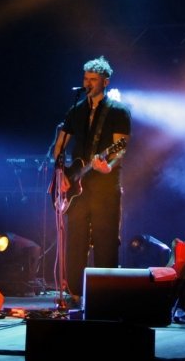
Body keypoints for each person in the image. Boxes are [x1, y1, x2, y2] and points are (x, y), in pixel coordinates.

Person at [50, 55, 131, 305]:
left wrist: (108, 166)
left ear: (105, 82)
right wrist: (61, 174)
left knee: (106, 240)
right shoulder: (76, 110)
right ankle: (75, 292)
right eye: (86, 78)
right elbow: (59, 147)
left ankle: (107, 294)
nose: (88, 83)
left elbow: (120, 148)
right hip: (77, 187)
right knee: (76, 239)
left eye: (93, 79)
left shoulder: (118, 111)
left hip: (105, 186)